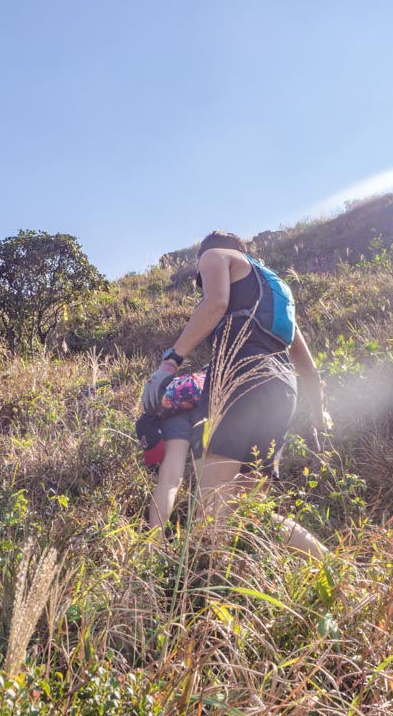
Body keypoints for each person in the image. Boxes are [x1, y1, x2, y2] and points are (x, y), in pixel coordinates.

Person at [142, 231, 329, 559]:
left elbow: (216, 303)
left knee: (210, 514)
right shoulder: (276, 292)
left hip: (236, 381)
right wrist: (318, 415)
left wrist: (169, 363)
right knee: (249, 515)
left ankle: (198, 600)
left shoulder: (214, 254)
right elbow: (309, 369)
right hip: (282, 390)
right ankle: (340, 575)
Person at [136, 371, 208, 530]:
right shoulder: (214, 376)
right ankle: (202, 548)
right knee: (208, 485)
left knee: (169, 482)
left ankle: (154, 543)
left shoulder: (185, 385)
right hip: (207, 410)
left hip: (175, 413)